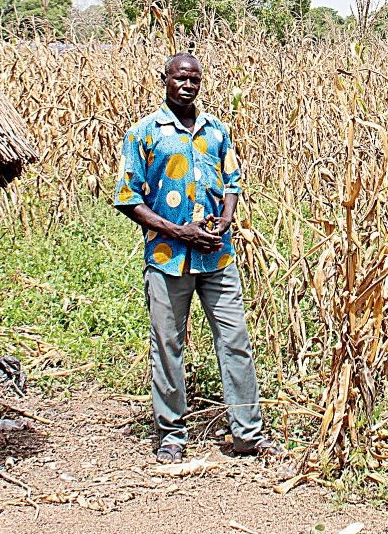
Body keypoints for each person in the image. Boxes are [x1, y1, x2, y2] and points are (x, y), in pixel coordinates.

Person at [111, 52, 277, 463]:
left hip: (217, 258)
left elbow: (233, 181)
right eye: (179, 78)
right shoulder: (145, 133)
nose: (187, 85)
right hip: (168, 258)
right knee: (167, 345)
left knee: (235, 340)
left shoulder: (216, 131)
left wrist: (225, 219)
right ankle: (171, 434)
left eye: (195, 79)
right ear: (164, 79)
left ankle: (248, 434)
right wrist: (178, 231)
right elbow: (128, 198)